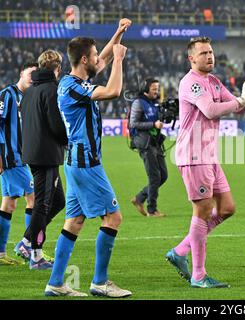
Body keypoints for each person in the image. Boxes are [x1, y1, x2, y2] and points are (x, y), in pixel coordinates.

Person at [165, 36, 245, 288]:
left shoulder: (213, 80)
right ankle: (199, 276)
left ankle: (180, 251)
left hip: (209, 156)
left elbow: (237, 107)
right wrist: (239, 102)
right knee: (201, 211)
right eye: (203, 53)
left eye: (211, 52)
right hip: (193, 155)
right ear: (191, 58)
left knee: (227, 208)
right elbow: (211, 110)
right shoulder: (191, 83)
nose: (209, 56)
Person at [44, 18, 133, 297]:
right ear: (84, 59)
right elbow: (113, 91)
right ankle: (100, 282)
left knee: (74, 222)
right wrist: (119, 60)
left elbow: (101, 57)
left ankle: (56, 283)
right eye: (94, 56)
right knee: (113, 217)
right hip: (86, 163)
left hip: (77, 161)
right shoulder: (72, 87)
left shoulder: (75, 80)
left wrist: (118, 34)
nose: (100, 58)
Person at [14, 50, 67, 270]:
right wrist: (67, 139)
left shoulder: (29, 91)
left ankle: (32, 246)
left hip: (34, 153)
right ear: (57, 68)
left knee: (57, 201)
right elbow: (56, 124)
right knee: (44, 204)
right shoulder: (51, 90)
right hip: (46, 155)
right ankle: (28, 244)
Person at [0, 62, 38, 266]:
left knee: (9, 204)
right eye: (30, 72)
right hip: (11, 158)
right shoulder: (7, 94)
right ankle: (30, 248)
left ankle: (0, 254)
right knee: (33, 198)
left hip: (20, 157)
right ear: (21, 72)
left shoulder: (27, 98)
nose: (33, 77)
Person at [129, 78, 167, 218]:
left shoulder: (154, 104)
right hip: (145, 143)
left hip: (155, 142)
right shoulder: (138, 103)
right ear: (145, 89)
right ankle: (152, 210)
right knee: (154, 176)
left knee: (163, 176)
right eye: (154, 89)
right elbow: (133, 123)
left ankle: (139, 198)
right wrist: (153, 124)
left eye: (157, 89)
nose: (156, 91)